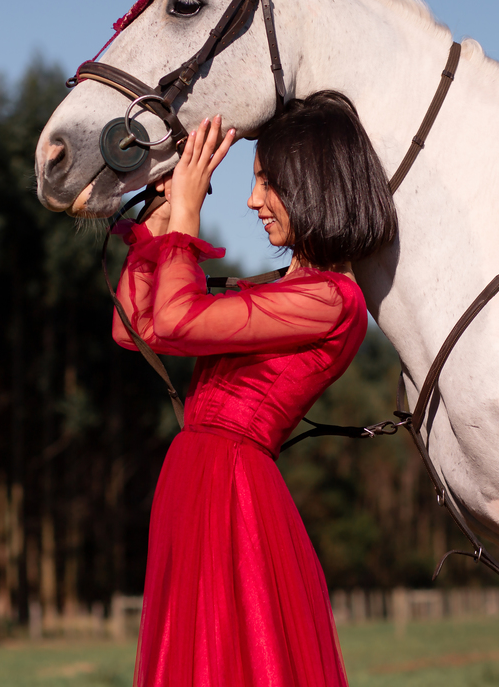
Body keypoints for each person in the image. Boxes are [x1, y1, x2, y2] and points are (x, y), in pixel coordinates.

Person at [112, 91, 397, 686]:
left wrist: (187, 219)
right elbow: (135, 326)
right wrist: (159, 228)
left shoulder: (329, 301)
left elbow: (177, 321)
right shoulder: (279, 290)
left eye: (266, 182)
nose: (251, 200)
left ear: (313, 185)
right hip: (197, 477)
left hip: (231, 488)